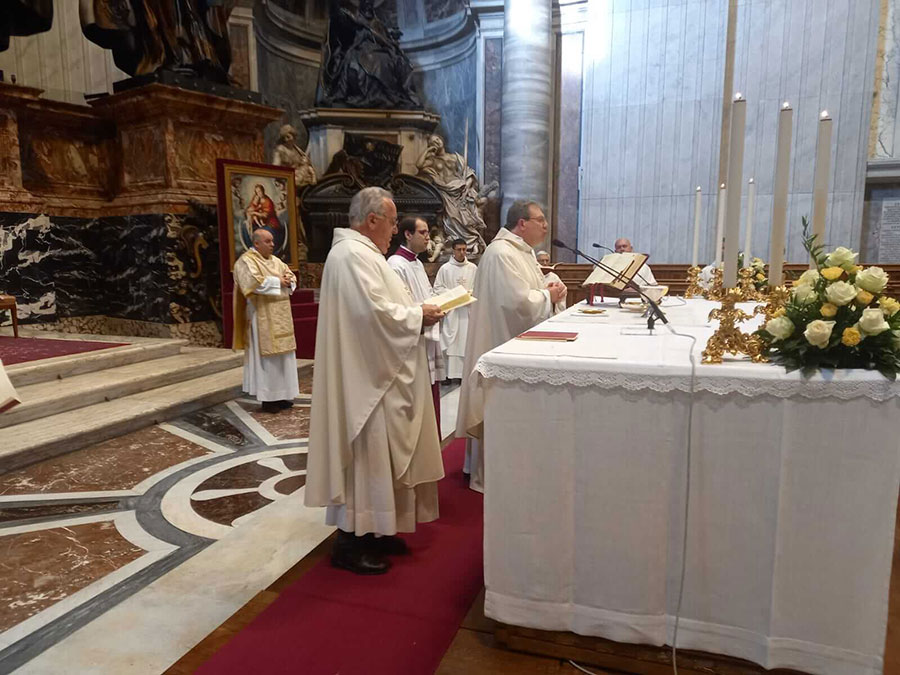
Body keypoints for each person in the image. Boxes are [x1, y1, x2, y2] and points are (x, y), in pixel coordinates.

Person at [305, 187, 445, 575]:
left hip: (380, 370)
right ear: (371, 220)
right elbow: (373, 315)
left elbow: (386, 308)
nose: (394, 231)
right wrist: (418, 316)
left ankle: (378, 528)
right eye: (392, 222)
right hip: (367, 378)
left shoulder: (364, 255)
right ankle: (351, 541)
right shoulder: (351, 255)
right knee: (368, 457)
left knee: (380, 458)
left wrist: (417, 312)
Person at [455, 200, 567, 492]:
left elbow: (530, 288)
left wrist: (550, 287)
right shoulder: (502, 253)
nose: (545, 225)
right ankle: (493, 472)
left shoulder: (520, 251)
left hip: (509, 343)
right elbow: (517, 304)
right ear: (521, 224)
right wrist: (547, 296)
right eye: (540, 220)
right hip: (499, 343)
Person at [232, 229, 299, 414]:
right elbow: (252, 283)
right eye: (268, 241)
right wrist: (279, 281)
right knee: (268, 361)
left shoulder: (276, 261)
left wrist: (288, 279)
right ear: (256, 243)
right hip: (262, 317)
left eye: (272, 241)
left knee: (284, 359)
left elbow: (290, 275)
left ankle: (283, 394)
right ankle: (269, 399)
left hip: (281, 317)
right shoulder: (246, 261)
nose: (272, 244)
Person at [388, 217, 445, 430]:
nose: (428, 237)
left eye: (428, 232)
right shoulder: (395, 265)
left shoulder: (418, 263)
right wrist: (425, 313)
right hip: (414, 339)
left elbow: (427, 295)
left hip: (427, 336)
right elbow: (400, 306)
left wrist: (441, 305)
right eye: (422, 232)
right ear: (408, 234)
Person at [433, 238, 477, 383]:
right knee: (450, 341)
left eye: (465, 249)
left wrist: (468, 293)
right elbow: (438, 288)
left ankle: (463, 374)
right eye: (459, 250)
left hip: (467, 311)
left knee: (465, 342)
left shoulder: (473, 268)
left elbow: (478, 287)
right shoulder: (445, 269)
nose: (462, 253)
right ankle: (448, 374)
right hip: (452, 311)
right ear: (453, 250)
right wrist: (454, 294)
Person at [536, 250, 566, 314]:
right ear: (536, 261)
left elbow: (563, 291)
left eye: (547, 260)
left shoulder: (553, 276)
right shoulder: (532, 274)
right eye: (542, 261)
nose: (544, 263)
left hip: (551, 309)